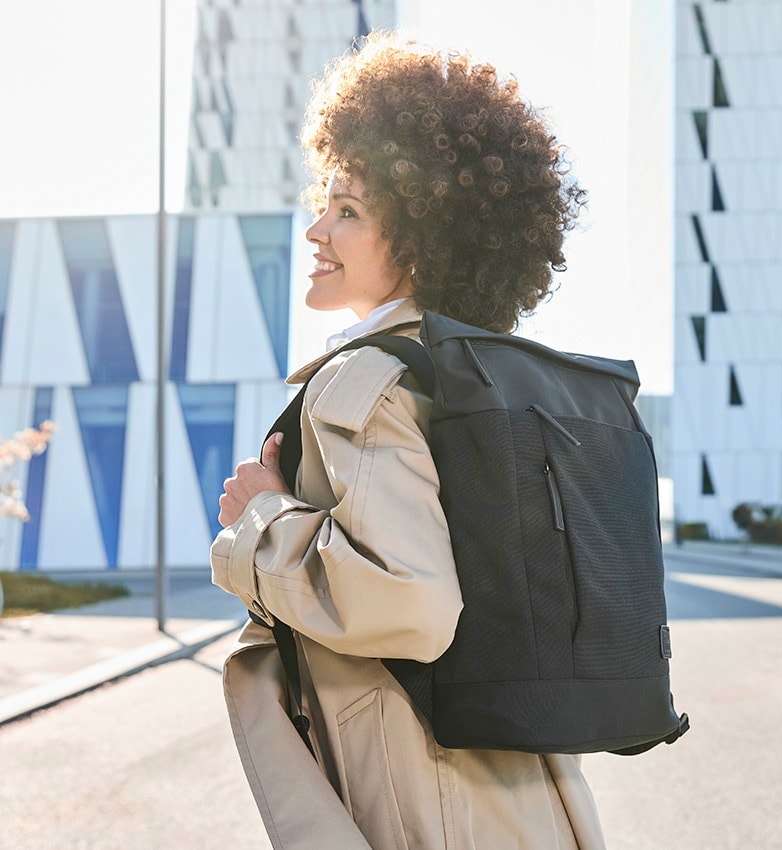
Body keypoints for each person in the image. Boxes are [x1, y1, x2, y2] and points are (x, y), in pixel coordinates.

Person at [212, 30, 605, 849]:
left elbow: (413, 605)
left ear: (424, 240)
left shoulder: (367, 382)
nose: (318, 229)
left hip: (424, 793)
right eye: (326, 201)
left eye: (349, 211)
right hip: (519, 784)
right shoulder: (468, 374)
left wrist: (263, 516)